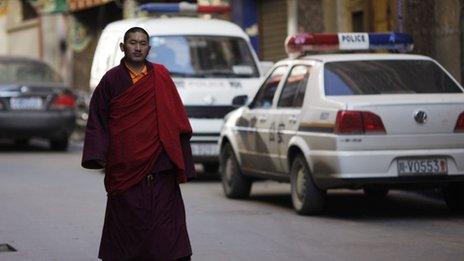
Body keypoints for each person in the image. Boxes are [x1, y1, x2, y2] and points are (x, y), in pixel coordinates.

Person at [82, 27, 195, 261]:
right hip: (125, 166)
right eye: (132, 43)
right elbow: (98, 118)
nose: (137, 47)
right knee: (127, 224)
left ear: (149, 48)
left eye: (143, 43)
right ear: (123, 47)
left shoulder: (161, 76)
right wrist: (99, 154)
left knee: (166, 224)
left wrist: (183, 159)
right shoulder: (111, 80)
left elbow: (177, 118)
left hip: (161, 163)